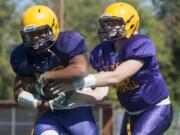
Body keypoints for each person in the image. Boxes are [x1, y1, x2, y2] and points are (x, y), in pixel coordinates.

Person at [73, 2, 173, 135]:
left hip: (155, 108)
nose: (109, 27)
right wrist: (72, 95)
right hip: (131, 113)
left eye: (114, 23)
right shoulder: (102, 52)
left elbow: (116, 76)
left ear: (130, 23)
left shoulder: (140, 43)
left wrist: (80, 81)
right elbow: (100, 93)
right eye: (107, 23)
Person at [10, 5, 109, 135]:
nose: (36, 39)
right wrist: (42, 104)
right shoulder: (22, 55)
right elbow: (18, 93)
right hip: (49, 111)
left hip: (77, 107)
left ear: (53, 27)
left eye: (40, 33)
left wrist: (46, 76)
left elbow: (80, 69)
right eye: (31, 35)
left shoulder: (66, 42)